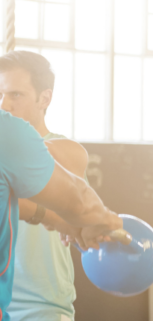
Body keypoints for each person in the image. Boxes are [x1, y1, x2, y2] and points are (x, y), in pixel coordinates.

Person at [0, 50, 87, 321]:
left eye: (15, 95)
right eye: (0, 94)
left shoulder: (68, 151)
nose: (4, 105)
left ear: (44, 98)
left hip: (44, 310)